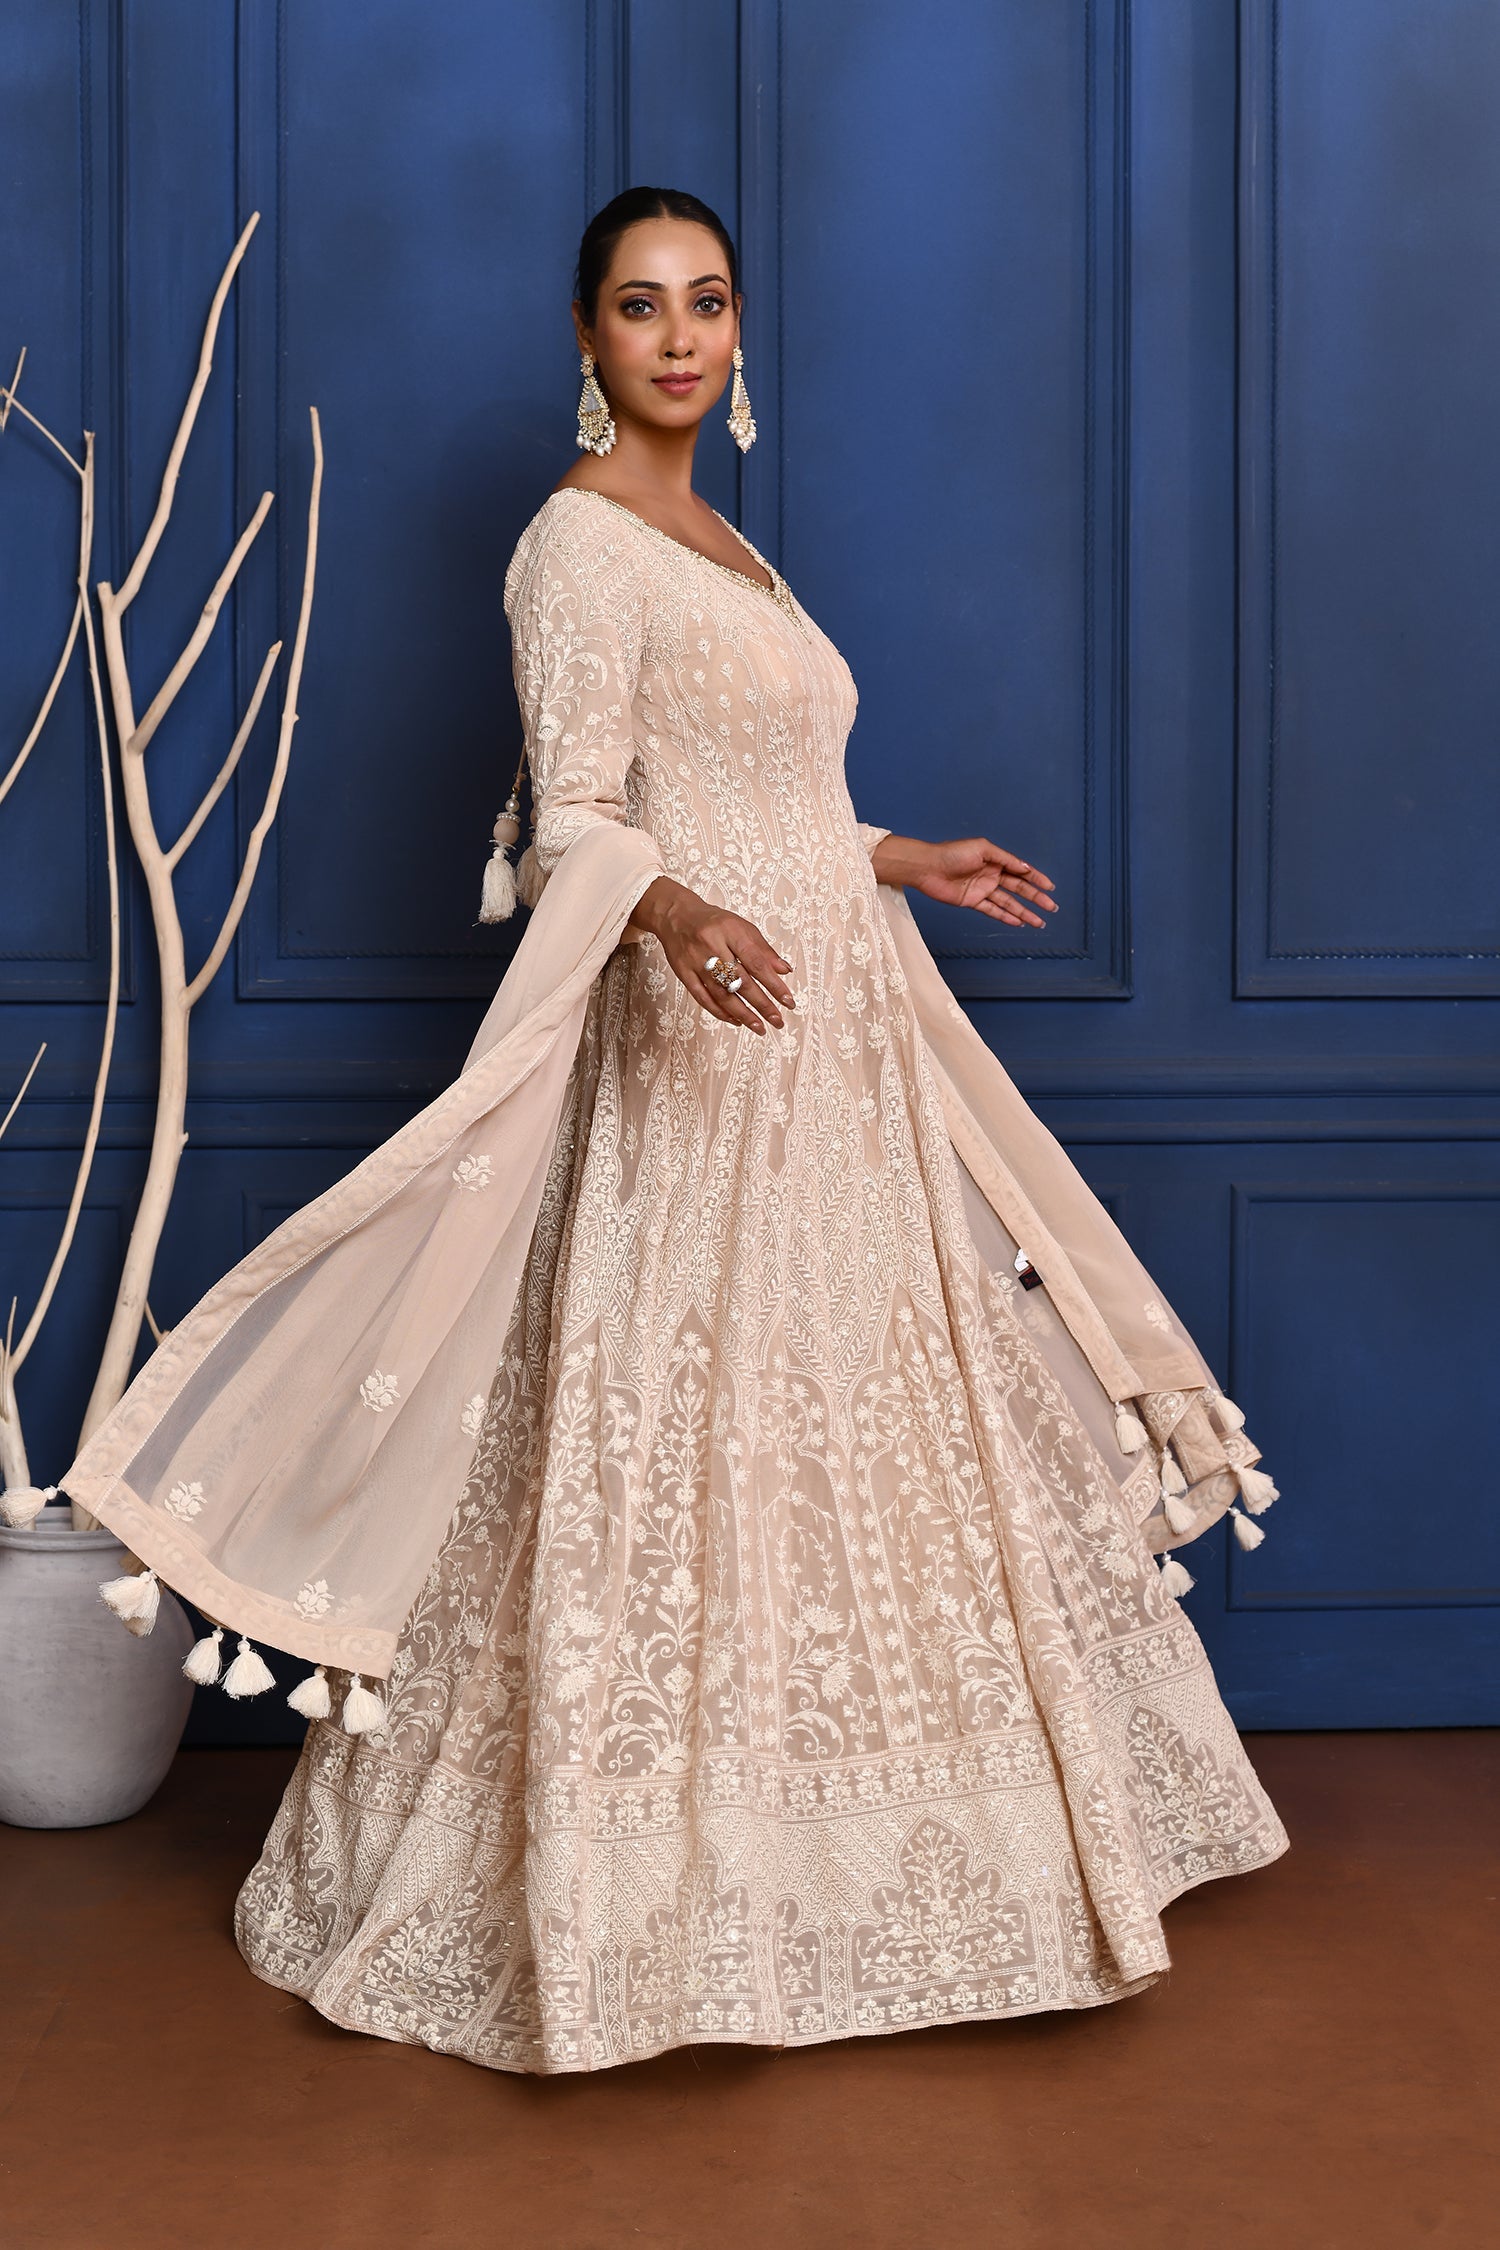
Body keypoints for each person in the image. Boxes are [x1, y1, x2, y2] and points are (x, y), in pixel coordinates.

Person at [60, 188, 1288, 2074]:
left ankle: (883, 1870)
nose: (682, 337)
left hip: (836, 1057)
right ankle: (644, 1897)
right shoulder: (576, 545)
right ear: (587, 337)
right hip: (700, 1050)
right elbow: (576, 816)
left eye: (707, 302)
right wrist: (681, 915)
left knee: (857, 1423)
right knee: (676, 1431)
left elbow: (761, 791)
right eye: (641, 307)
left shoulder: (724, 540)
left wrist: (899, 854)